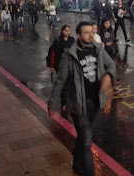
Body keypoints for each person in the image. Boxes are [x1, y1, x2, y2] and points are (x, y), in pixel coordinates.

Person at [48, 21, 116, 176]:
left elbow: (111, 64)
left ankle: (76, 158)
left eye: (91, 32)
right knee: (86, 140)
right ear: (78, 35)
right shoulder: (69, 55)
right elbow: (60, 81)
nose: (90, 35)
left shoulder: (98, 49)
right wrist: (53, 103)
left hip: (96, 102)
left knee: (84, 135)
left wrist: (108, 75)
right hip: (78, 104)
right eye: (86, 33)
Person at [48, 25, 75, 108]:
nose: (67, 32)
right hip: (60, 65)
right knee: (63, 84)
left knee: (70, 84)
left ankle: (69, 101)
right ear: (62, 31)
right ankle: (64, 103)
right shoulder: (58, 41)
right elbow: (52, 53)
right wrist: (51, 66)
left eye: (69, 30)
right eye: (66, 30)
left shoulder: (72, 40)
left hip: (70, 64)